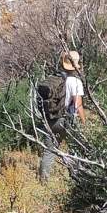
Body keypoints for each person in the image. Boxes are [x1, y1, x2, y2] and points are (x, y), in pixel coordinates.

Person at [37, 50, 86, 184]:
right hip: (66, 120)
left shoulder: (54, 79)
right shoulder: (75, 82)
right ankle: (76, 178)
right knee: (77, 149)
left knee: (49, 151)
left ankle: (43, 182)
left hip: (50, 119)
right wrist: (84, 123)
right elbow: (78, 105)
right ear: (76, 65)